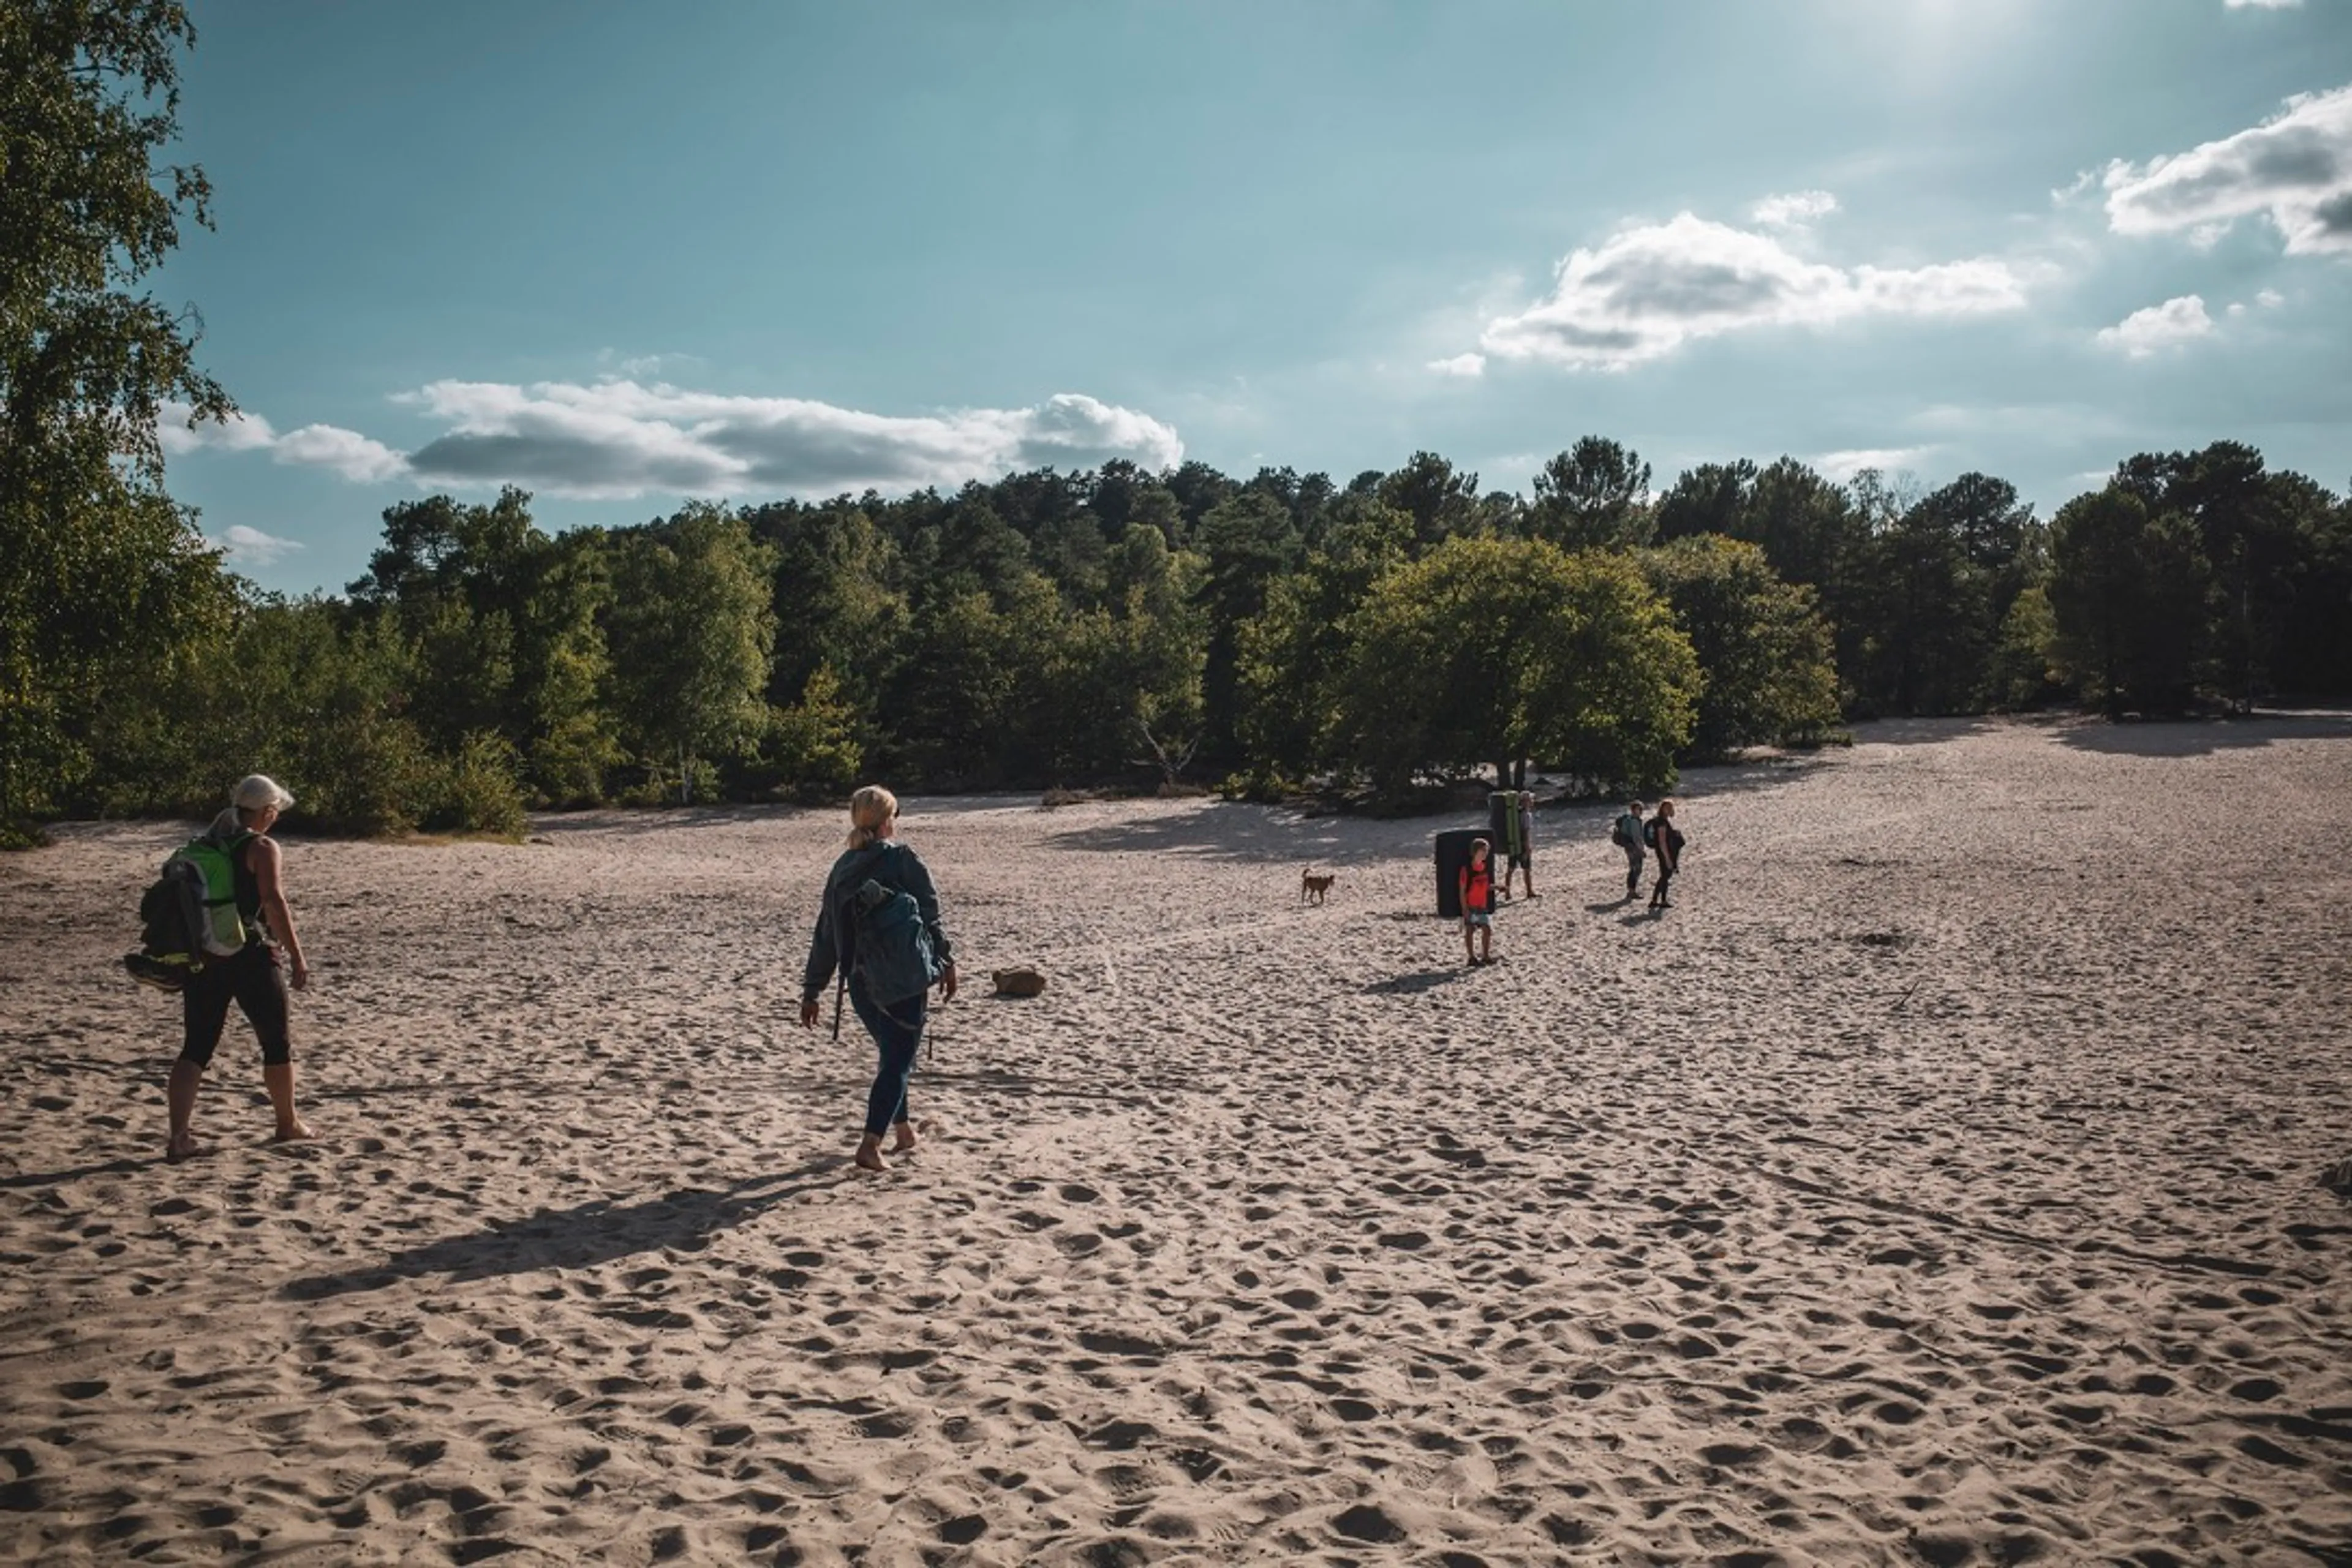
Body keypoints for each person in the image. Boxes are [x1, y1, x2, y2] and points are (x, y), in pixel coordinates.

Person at [798, 785, 959, 1172]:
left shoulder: (842, 867)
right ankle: (871, 1144)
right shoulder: (903, 859)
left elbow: (826, 933)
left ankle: (903, 1131)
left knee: (892, 1057)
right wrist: (947, 961)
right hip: (902, 979)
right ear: (888, 820)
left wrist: (813, 989)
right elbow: (931, 916)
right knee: (898, 1062)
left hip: (860, 984)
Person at [166, 774, 314, 1164]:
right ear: (266, 811)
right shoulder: (262, 847)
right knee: (276, 1042)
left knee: (196, 1046)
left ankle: (179, 1137)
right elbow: (274, 902)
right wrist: (297, 956)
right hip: (250, 956)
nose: (276, 819)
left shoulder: (204, 845)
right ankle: (287, 1123)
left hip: (205, 957)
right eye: (275, 812)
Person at [1458, 837, 1496, 967]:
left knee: (1487, 930)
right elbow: (1462, 890)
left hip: (1482, 905)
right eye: (1483, 851)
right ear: (1475, 852)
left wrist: (1496, 887)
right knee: (1470, 930)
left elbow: (1485, 886)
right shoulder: (1467, 869)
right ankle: (1472, 957)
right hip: (1471, 905)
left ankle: (1485, 956)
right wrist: (1465, 909)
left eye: (1487, 851)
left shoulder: (1485, 867)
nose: (1486, 854)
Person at [1646, 797, 1684, 912]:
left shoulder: (1662, 821)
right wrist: (1668, 858)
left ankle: (1655, 900)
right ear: (1663, 809)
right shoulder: (1661, 822)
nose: (1669, 810)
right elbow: (1662, 841)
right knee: (1665, 876)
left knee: (1664, 876)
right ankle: (1661, 901)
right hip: (1664, 852)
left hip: (1663, 851)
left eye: (1670, 808)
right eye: (1667, 808)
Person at [1504, 791, 1538, 902]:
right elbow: (1525, 831)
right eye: (1530, 800)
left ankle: (1507, 893)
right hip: (1522, 845)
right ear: (1527, 802)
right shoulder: (1526, 815)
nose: (1532, 802)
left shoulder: (1514, 814)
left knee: (1510, 869)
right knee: (1527, 869)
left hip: (1513, 844)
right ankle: (1529, 891)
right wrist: (1527, 848)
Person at [1615, 800, 1648, 902]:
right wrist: (1641, 850)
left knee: (1634, 868)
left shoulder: (1630, 819)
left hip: (1629, 847)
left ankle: (1631, 890)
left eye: (1641, 809)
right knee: (1636, 869)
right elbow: (1636, 837)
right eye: (1639, 809)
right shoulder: (1634, 821)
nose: (1640, 811)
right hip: (1633, 848)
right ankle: (1632, 891)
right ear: (1633, 810)